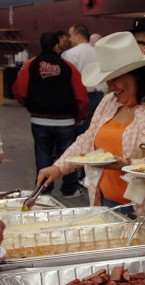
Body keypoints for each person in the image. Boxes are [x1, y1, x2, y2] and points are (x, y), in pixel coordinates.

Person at [36, 32, 145, 262]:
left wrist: (126, 165)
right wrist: (58, 168)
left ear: (138, 74)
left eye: (115, 77)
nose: (110, 86)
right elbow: (88, 139)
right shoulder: (110, 102)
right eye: (107, 79)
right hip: (113, 209)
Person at [12, 31, 88, 198]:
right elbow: (80, 94)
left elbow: (19, 89)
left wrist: (29, 105)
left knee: (42, 153)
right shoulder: (68, 67)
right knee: (67, 154)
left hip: (39, 119)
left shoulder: (30, 65)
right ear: (57, 46)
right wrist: (81, 114)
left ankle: (43, 189)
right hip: (66, 121)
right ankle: (69, 189)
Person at [63, 24, 107, 136]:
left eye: (71, 35)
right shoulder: (100, 52)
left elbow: (68, 80)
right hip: (100, 97)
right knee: (94, 132)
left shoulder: (70, 54)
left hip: (80, 98)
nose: (69, 39)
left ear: (78, 36)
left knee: (79, 135)